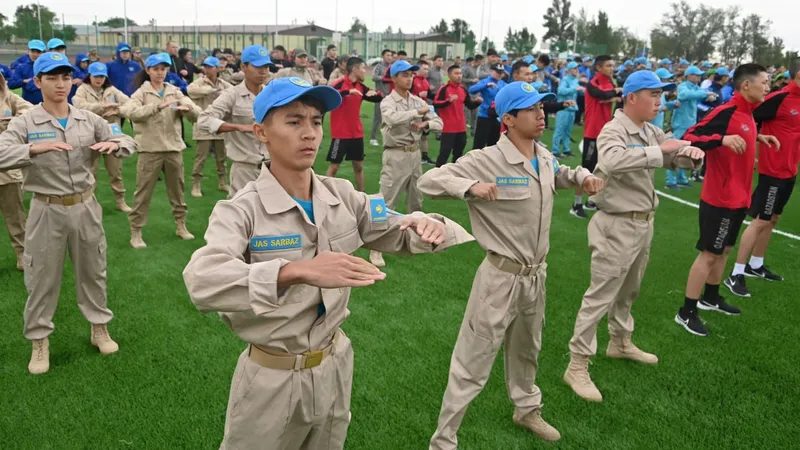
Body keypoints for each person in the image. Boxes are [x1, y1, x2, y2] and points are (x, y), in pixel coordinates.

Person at [182, 76, 472, 449]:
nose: (309, 133)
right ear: (261, 133)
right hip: (272, 375)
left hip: (334, 365)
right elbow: (203, 280)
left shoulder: (342, 194)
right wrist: (296, 271)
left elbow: (396, 225)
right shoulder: (241, 210)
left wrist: (429, 225)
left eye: (316, 122)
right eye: (294, 121)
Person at [421, 81, 605, 449]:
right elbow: (429, 180)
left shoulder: (543, 155)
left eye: (542, 107)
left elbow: (559, 172)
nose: (541, 114)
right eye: (531, 109)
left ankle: (526, 409)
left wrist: (581, 176)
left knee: (527, 351)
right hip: (499, 278)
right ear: (508, 119)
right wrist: (471, 186)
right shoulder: (486, 159)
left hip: (535, 277)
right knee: (472, 362)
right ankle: (443, 440)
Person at [564, 71, 704, 402]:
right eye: (653, 95)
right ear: (631, 98)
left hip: (642, 223)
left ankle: (620, 341)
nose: (660, 102)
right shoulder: (613, 130)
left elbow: (670, 157)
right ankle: (577, 364)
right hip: (616, 223)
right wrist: (663, 150)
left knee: (630, 289)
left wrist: (688, 154)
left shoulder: (650, 130)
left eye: (661, 95)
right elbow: (613, 160)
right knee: (600, 295)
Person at [0, 52, 137, 374]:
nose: (60, 84)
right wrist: (31, 149)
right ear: (37, 82)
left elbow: (126, 139)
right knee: (41, 277)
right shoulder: (25, 122)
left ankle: (99, 328)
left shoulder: (88, 119)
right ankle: (39, 340)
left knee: (93, 271)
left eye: (65, 77)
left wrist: (116, 145)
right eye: (51, 78)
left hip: (85, 206)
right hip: (46, 209)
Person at [674, 64, 776, 337]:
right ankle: (686, 311)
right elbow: (689, 137)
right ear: (746, 85)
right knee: (709, 254)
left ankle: (711, 297)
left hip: (739, 197)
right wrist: (721, 139)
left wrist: (758, 137)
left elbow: (737, 137)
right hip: (720, 198)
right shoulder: (726, 111)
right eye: (765, 82)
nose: (768, 87)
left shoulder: (748, 113)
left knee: (725, 250)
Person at [723, 59, 800, 298]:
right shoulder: (779, 98)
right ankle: (736, 273)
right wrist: (753, 151)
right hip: (773, 170)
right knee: (761, 220)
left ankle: (756, 264)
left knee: (772, 219)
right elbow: (745, 117)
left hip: (790, 170)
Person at [120, 53, 202, 249]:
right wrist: (157, 106)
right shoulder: (141, 93)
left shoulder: (174, 91)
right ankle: (136, 231)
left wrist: (188, 109)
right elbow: (130, 112)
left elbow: (197, 113)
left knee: (178, 191)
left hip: (173, 148)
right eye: (156, 69)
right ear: (148, 70)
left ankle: (181, 225)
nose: (160, 72)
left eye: (163, 69)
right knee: (143, 193)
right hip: (150, 149)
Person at [370, 60, 444, 268]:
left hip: (414, 155)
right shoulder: (388, 101)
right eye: (404, 75)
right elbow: (391, 118)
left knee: (416, 200)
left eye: (411, 75)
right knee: (386, 201)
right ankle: (376, 247)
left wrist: (425, 123)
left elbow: (439, 123)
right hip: (395, 154)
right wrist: (417, 113)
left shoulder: (417, 101)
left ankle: (415, 241)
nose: (409, 78)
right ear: (394, 78)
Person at [198, 45, 274, 197]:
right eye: (257, 66)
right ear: (243, 67)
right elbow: (204, 120)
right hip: (245, 170)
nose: (263, 71)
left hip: (273, 169)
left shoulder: (272, 94)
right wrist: (239, 127)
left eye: (266, 67)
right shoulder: (232, 94)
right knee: (242, 210)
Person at [72, 62, 133, 213]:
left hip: (111, 134)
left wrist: (118, 110)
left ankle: (120, 201)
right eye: (96, 76)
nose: (99, 79)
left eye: (102, 76)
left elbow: (130, 103)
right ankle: (88, 202)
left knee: (115, 171)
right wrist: (102, 107)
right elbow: (78, 106)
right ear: (89, 76)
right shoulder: (83, 89)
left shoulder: (112, 90)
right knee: (89, 171)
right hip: (89, 135)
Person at [574, 55, 622, 218]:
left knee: (602, 169)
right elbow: (601, 95)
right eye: (608, 66)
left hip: (605, 131)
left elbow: (612, 97)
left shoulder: (609, 82)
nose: (612, 68)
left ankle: (592, 201)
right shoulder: (593, 82)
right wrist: (614, 93)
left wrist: (613, 95)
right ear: (599, 67)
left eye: (612, 66)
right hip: (593, 131)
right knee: (586, 169)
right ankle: (576, 204)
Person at [326, 57, 383, 191]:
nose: (365, 71)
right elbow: (329, 94)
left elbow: (377, 98)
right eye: (363, 68)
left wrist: (377, 94)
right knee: (334, 167)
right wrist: (348, 92)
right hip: (340, 133)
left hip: (356, 133)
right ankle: (324, 195)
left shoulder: (361, 87)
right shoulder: (339, 83)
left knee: (358, 167)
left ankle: (361, 195)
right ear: (355, 69)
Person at [0, 69, 33, 270]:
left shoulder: (8, 97)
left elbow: (30, 109)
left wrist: (14, 121)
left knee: (16, 216)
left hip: (8, 169)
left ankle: (22, 254)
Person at [187, 56, 233, 198]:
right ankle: (196, 184)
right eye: (205, 66)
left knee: (221, 157)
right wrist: (210, 90)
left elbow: (233, 94)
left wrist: (222, 93)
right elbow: (190, 90)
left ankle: (222, 182)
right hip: (204, 125)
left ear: (217, 68)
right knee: (201, 157)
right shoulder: (199, 83)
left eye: (210, 67)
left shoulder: (224, 84)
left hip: (220, 124)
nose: (207, 69)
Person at [667, 65, 717, 190]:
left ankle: (681, 179)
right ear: (689, 75)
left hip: (690, 124)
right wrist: (705, 94)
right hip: (680, 124)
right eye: (696, 75)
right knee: (674, 152)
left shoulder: (695, 88)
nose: (699, 77)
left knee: (686, 152)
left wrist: (708, 96)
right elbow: (684, 95)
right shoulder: (683, 86)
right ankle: (670, 181)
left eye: (700, 75)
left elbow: (699, 94)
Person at [432, 65, 482, 167]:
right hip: (448, 128)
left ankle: (455, 172)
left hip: (461, 128)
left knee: (459, 154)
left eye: (460, 73)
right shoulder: (444, 89)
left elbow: (470, 105)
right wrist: (448, 101)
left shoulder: (462, 89)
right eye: (456, 73)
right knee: (444, 153)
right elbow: (436, 103)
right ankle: (437, 172)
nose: (459, 76)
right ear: (449, 75)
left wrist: (477, 102)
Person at [469, 63, 507, 149]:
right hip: (484, 116)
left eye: (501, 73)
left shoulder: (503, 84)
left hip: (497, 117)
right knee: (479, 144)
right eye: (497, 72)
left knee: (494, 145)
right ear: (491, 71)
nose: (500, 74)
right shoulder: (485, 82)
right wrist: (486, 86)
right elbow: (471, 90)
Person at [552, 61, 584, 157]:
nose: (577, 70)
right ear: (569, 70)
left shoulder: (575, 80)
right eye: (575, 68)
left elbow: (577, 92)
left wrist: (583, 91)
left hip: (572, 109)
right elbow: (560, 91)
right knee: (559, 130)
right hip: (563, 109)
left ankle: (566, 149)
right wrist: (575, 89)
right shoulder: (565, 80)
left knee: (568, 131)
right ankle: (555, 151)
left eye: (577, 68)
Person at [412, 61, 436, 165]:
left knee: (425, 135)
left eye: (427, 69)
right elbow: (407, 95)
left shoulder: (425, 81)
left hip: (424, 111)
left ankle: (424, 157)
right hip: (414, 111)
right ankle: (413, 156)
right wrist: (418, 94)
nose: (426, 71)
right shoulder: (412, 80)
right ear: (418, 69)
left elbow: (430, 95)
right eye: (424, 69)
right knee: (414, 135)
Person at [8, 40, 46, 104]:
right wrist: (24, 81)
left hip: (46, 105)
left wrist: (30, 83)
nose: (35, 54)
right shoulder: (21, 67)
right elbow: (11, 84)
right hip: (27, 105)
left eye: (38, 52)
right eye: (32, 51)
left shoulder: (47, 68)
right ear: (28, 51)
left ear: (43, 53)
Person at [370, 49, 394, 147]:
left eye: (391, 55)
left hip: (390, 96)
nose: (389, 57)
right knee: (377, 117)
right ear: (383, 56)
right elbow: (373, 77)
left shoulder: (392, 67)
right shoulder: (379, 66)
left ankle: (388, 137)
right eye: (387, 55)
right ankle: (373, 138)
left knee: (390, 118)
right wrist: (384, 78)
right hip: (380, 96)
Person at [462, 57, 480, 134]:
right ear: (469, 62)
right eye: (473, 62)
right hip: (467, 94)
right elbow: (462, 79)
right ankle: (463, 130)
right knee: (467, 115)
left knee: (475, 115)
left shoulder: (476, 69)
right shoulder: (466, 68)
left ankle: (473, 131)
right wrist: (471, 80)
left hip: (475, 94)